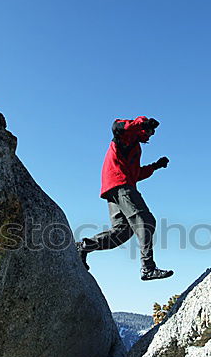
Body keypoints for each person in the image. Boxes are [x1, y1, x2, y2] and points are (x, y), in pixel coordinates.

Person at [75, 116, 174, 281]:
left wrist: (155, 166)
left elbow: (135, 174)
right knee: (146, 220)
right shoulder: (127, 136)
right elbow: (117, 126)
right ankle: (148, 268)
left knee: (122, 232)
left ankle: (83, 246)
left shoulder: (134, 146)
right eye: (150, 131)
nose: (151, 135)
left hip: (114, 187)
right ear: (143, 128)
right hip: (120, 186)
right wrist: (141, 123)